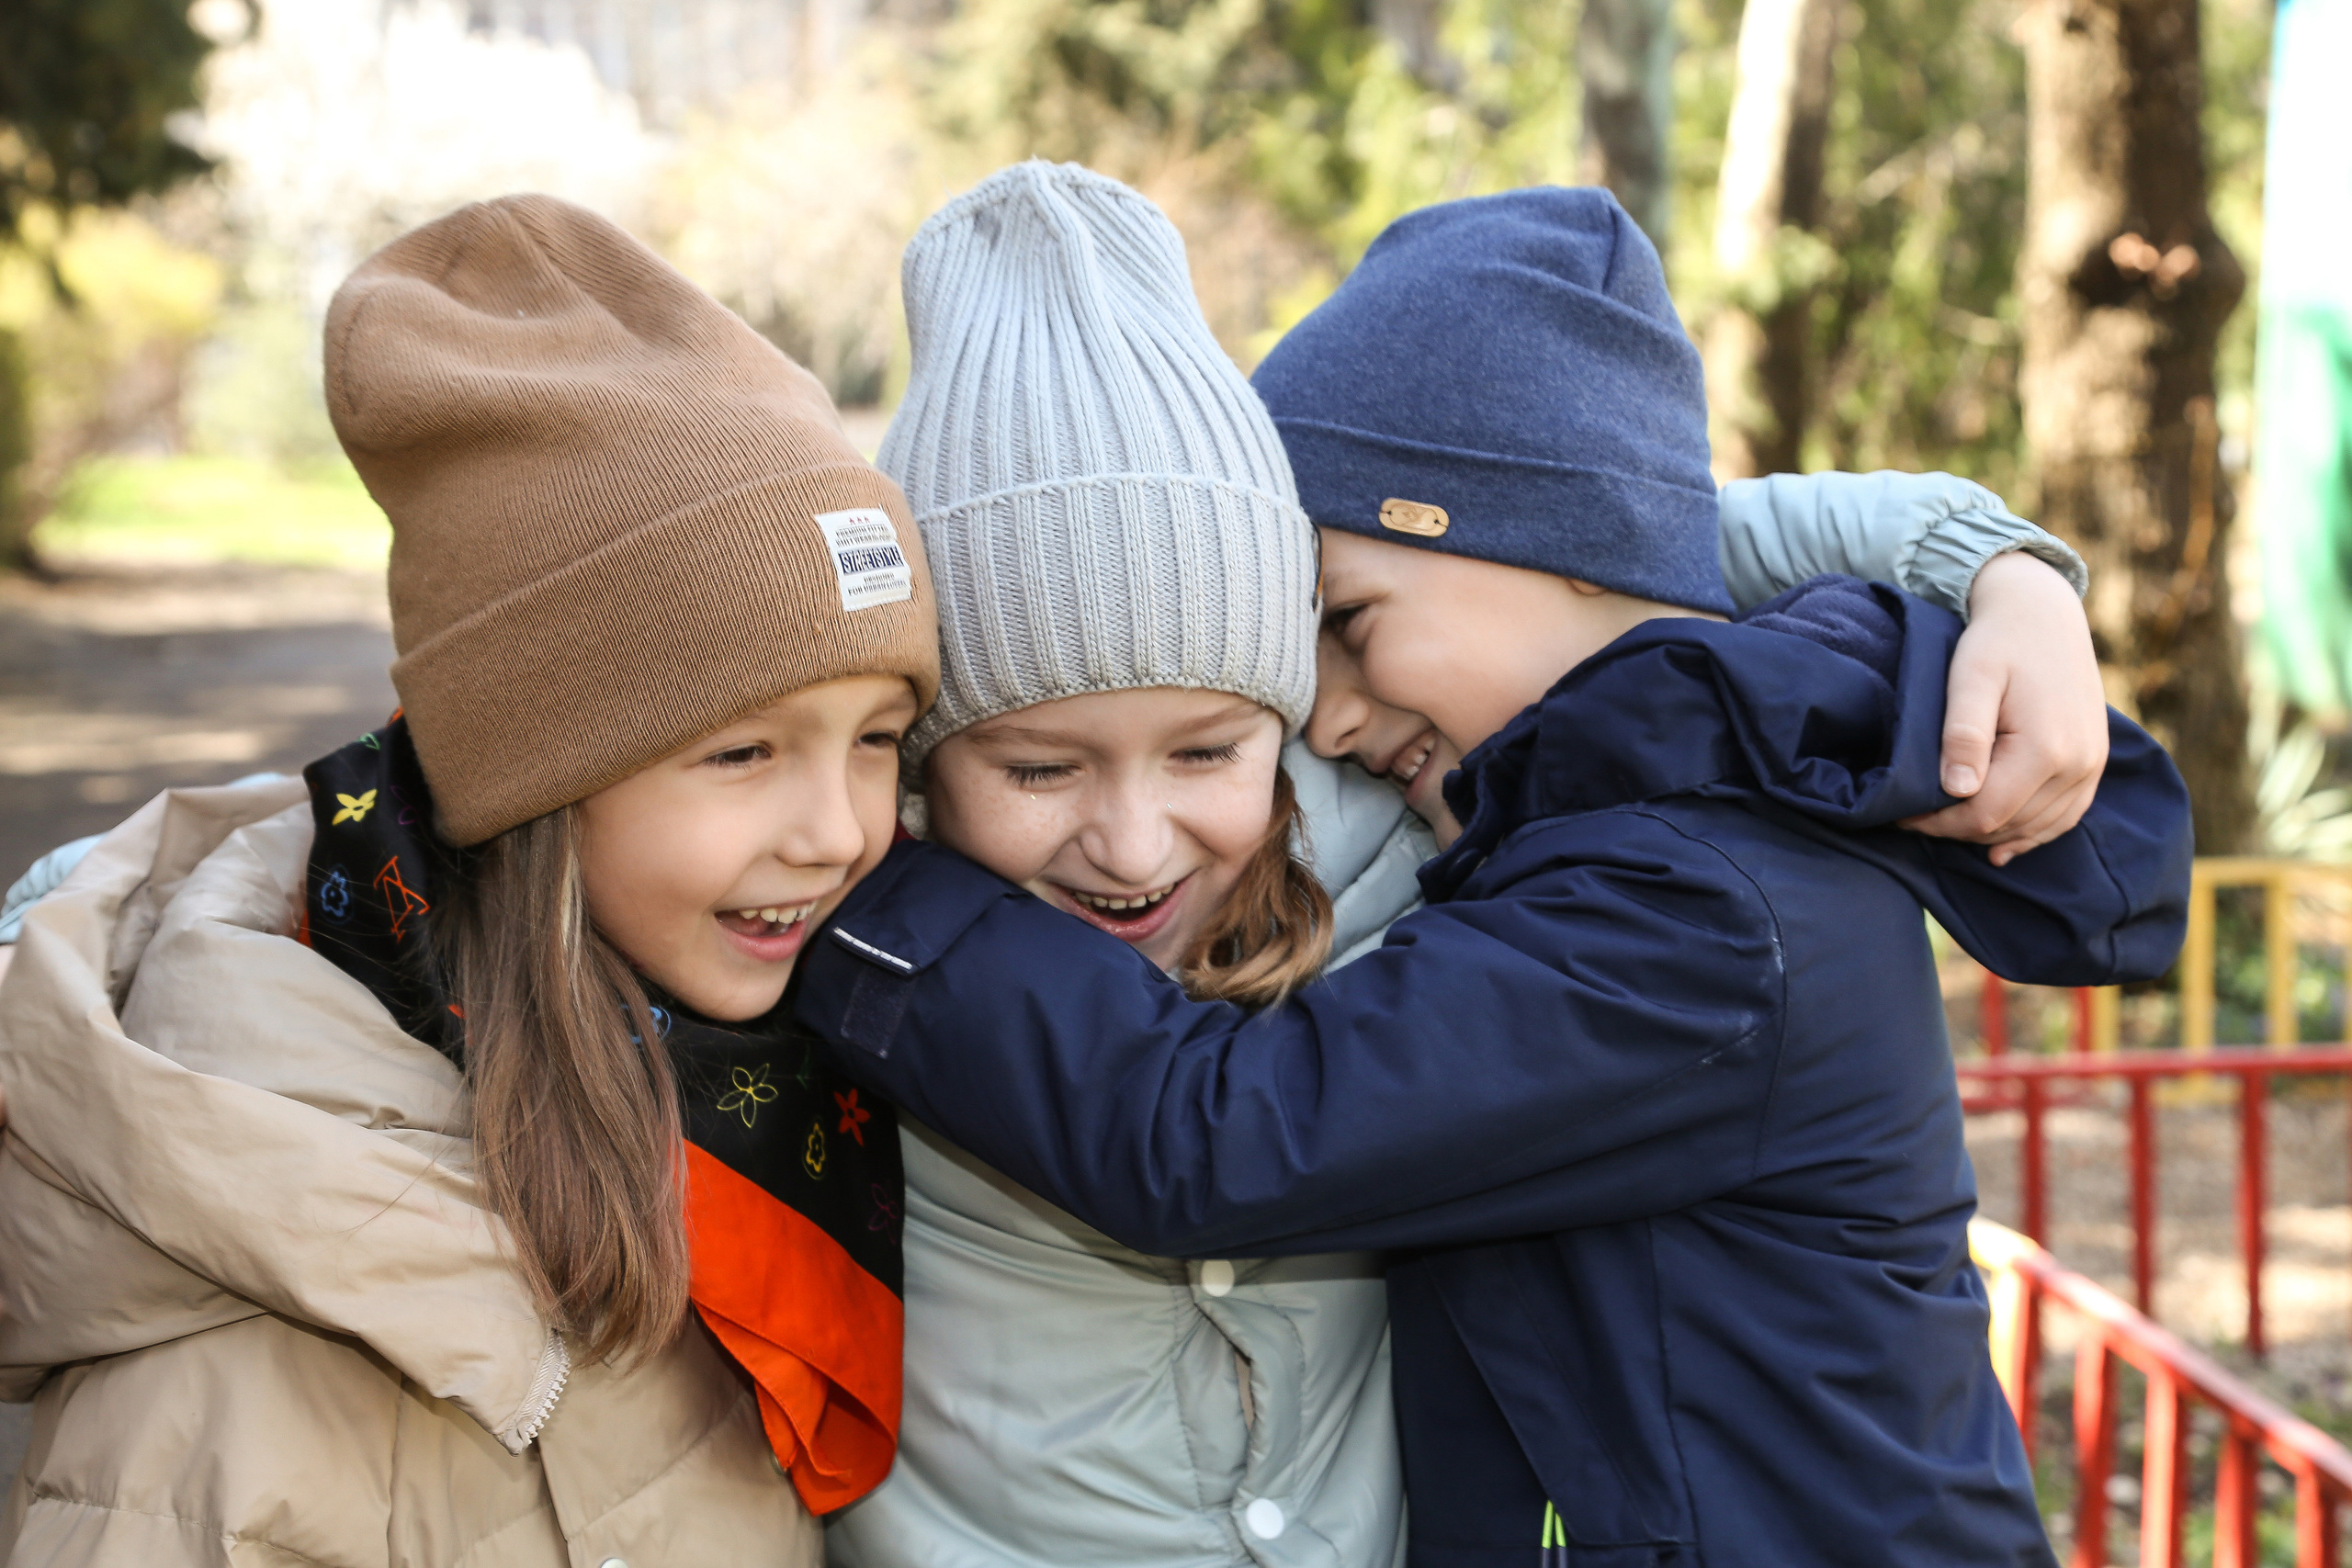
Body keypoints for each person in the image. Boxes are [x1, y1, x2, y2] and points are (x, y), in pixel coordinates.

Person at [785, 187, 2194, 1568]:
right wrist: (1979, 553)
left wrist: (840, 883)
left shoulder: (1696, 908)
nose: (1322, 719)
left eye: (1345, 624)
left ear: (1546, 538)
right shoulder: (1599, 811)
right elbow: (1625, 535)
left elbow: (1213, 1138)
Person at [0, 197, 936, 1564]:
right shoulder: (231, 1378)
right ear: (528, 784)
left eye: (877, 743)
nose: (835, 831)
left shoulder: (753, 1084)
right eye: (741, 752)